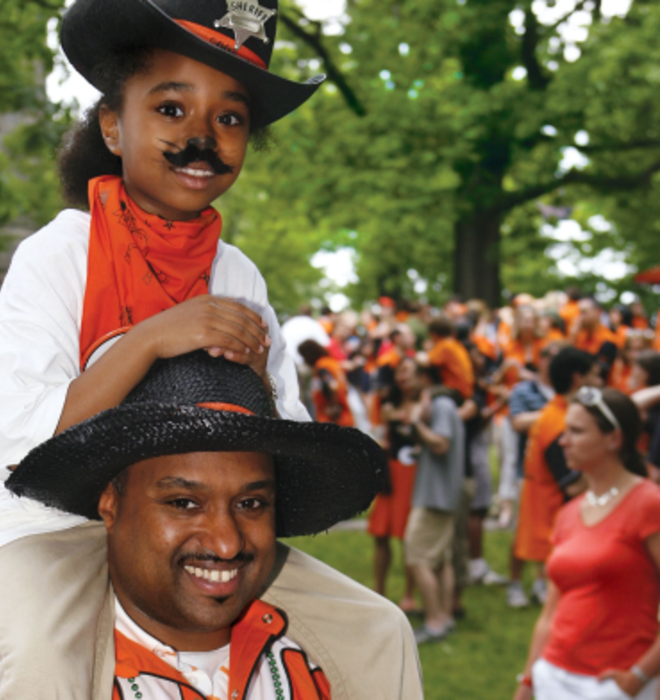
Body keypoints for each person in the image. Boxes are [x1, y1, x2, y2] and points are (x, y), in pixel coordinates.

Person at [0, 0, 324, 531]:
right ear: (112, 126)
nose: (202, 137)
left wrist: (258, 380)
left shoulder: (238, 277)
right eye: (171, 109)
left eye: (229, 118)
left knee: (371, 619)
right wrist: (150, 340)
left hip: (205, 539)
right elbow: (18, 444)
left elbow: (288, 445)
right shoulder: (60, 255)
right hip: (55, 534)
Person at [0, 352, 424, 700]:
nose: (225, 543)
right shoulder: (41, 676)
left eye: (251, 503)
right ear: (110, 504)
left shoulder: (332, 668)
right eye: (184, 503)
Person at [514, 388, 660, 700]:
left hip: (612, 684)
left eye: (576, 431)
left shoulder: (649, 504)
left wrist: (639, 675)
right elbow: (550, 613)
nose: (563, 441)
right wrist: (528, 682)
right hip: (552, 675)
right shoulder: (569, 512)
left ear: (614, 439)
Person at [511, 347, 598, 607]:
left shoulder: (555, 413)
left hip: (548, 516)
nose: (600, 381)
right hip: (553, 519)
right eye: (595, 375)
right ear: (578, 379)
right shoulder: (558, 424)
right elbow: (572, 485)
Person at [403, 363, 466, 643]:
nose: (408, 380)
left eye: (413, 374)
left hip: (434, 497)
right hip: (444, 495)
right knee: (441, 561)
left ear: (425, 378)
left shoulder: (440, 404)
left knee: (416, 555)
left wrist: (416, 422)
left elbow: (441, 444)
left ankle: (434, 621)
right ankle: (444, 617)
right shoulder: (446, 405)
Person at [505, 341, 564, 608]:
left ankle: (541, 581)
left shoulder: (563, 393)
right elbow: (518, 422)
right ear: (541, 361)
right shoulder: (524, 390)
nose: (554, 363)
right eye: (550, 357)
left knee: (552, 533)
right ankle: (514, 582)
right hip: (526, 472)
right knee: (521, 531)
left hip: (559, 473)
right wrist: (557, 415)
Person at [368, 356, 420, 612]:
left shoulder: (426, 403)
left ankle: (410, 595)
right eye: (400, 372)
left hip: (415, 475)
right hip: (392, 473)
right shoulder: (387, 402)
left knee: (410, 536)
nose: (403, 377)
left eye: (409, 372)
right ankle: (379, 591)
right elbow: (378, 432)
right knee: (381, 534)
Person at [297, 339, 354, 426]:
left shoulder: (321, 366)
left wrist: (332, 406)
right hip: (344, 411)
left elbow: (332, 385)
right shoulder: (330, 361)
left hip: (332, 416)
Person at [423, 316, 475, 400]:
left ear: (433, 334)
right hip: (467, 389)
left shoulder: (444, 345)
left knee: (424, 394)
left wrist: (425, 351)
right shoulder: (455, 343)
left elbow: (427, 362)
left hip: (457, 390)